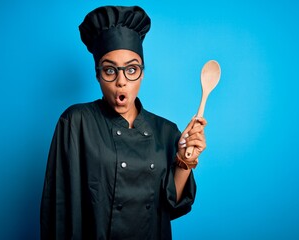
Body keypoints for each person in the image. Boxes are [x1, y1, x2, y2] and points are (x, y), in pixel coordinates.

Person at [40, 5, 207, 240]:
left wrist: (185, 160)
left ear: (142, 72)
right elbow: (58, 207)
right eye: (110, 70)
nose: (121, 81)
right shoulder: (76, 122)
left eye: (131, 69)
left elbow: (171, 208)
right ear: (97, 74)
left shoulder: (167, 132)